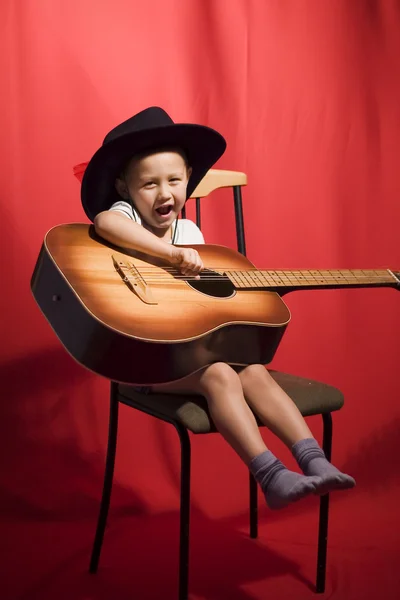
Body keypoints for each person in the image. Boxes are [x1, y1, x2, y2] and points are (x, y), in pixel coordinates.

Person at [81, 106, 355, 510]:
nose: (164, 193)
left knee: (255, 371)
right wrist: (170, 254)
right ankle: (270, 475)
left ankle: (314, 461)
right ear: (125, 188)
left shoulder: (191, 232)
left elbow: (201, 305)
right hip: (142, 362)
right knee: (221, 376)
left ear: (189, 178)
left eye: (174, 180)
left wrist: (257, 295)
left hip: (192, 349)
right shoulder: (125, 218)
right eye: (149, 184)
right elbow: (105, 223)